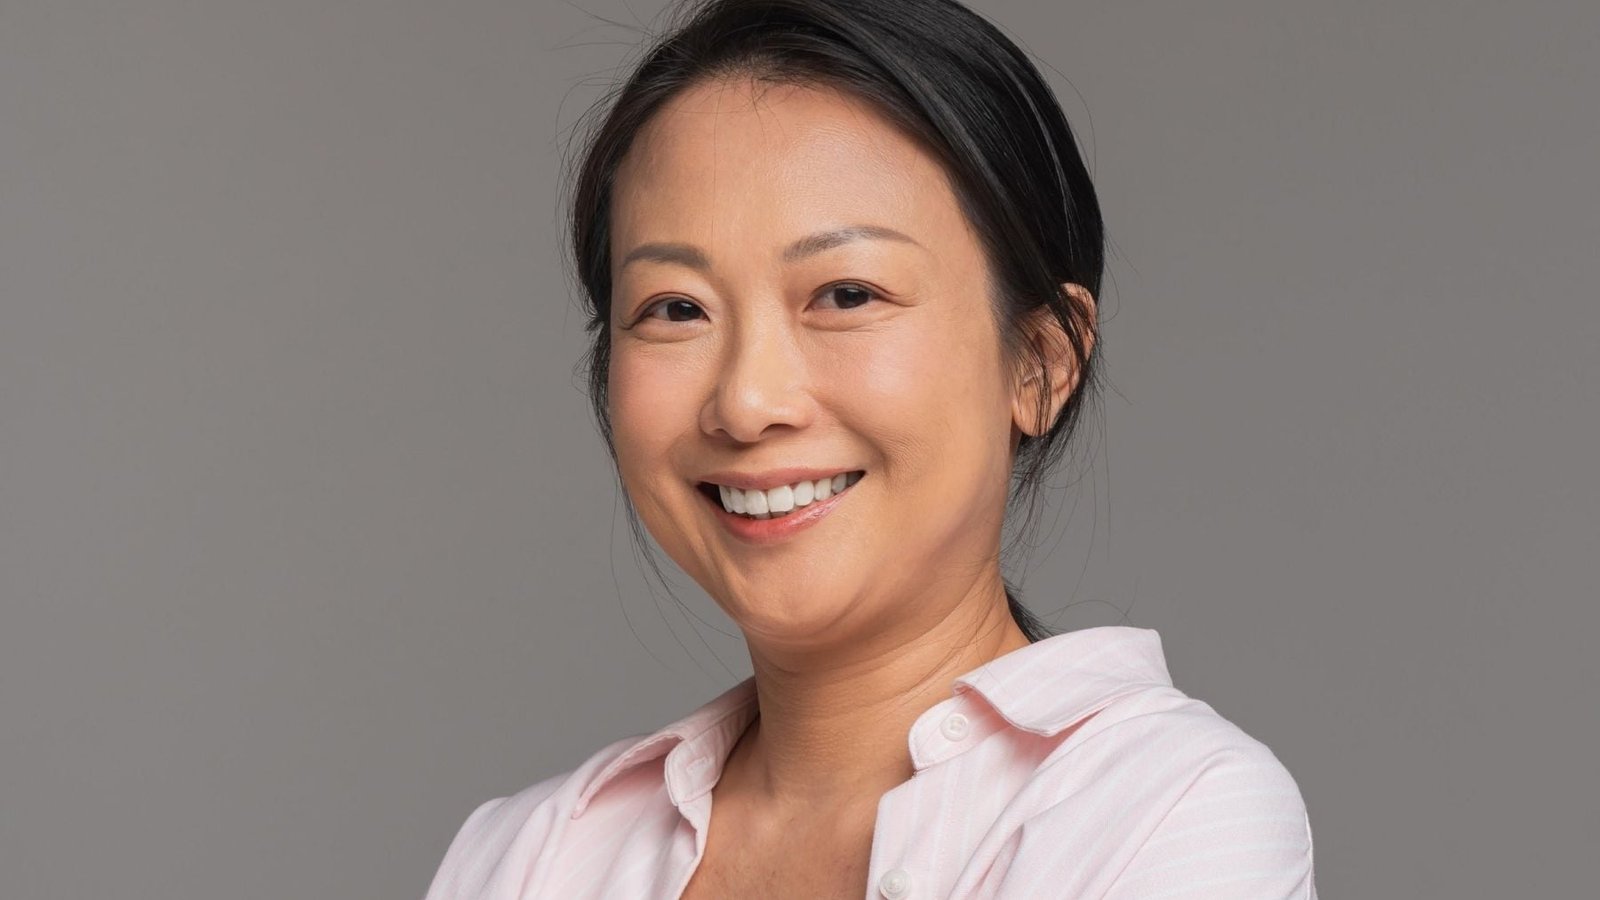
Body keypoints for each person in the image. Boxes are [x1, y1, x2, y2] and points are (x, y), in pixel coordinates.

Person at [425, 0, 1317, 896]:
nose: (747, 402)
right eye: (677, 308)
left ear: (1040, 363)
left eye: (846, 294)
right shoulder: (527, 858)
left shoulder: (1166, 813)